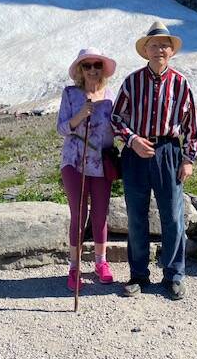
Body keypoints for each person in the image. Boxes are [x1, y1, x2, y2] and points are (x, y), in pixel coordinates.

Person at [111, 21, 197, 300]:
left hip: (168, 152)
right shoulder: (131, 81)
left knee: (172, 217)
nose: (159, 49)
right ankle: (139, 275)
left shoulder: (181, 83)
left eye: (165, 45)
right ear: (146, 50)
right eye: (154, 45)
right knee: (136, 217)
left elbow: (191, 125)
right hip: (136, 153)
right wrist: (132, 140)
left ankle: (174, 275)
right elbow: (116, 118)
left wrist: (188, 159)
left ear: (171, 51)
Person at [57, 47, 118, 291]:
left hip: (101, 163)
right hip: (74, 162)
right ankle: (74, 267)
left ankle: (101, 262)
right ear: (80, 70)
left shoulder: (111, 96)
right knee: (79, 214)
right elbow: (61, 128)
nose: (92, 69)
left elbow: (118, 128)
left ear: (102, 69)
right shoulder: (70, 94)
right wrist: (80, 115)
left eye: (97, 65)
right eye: (87, 65)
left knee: (101, 214)